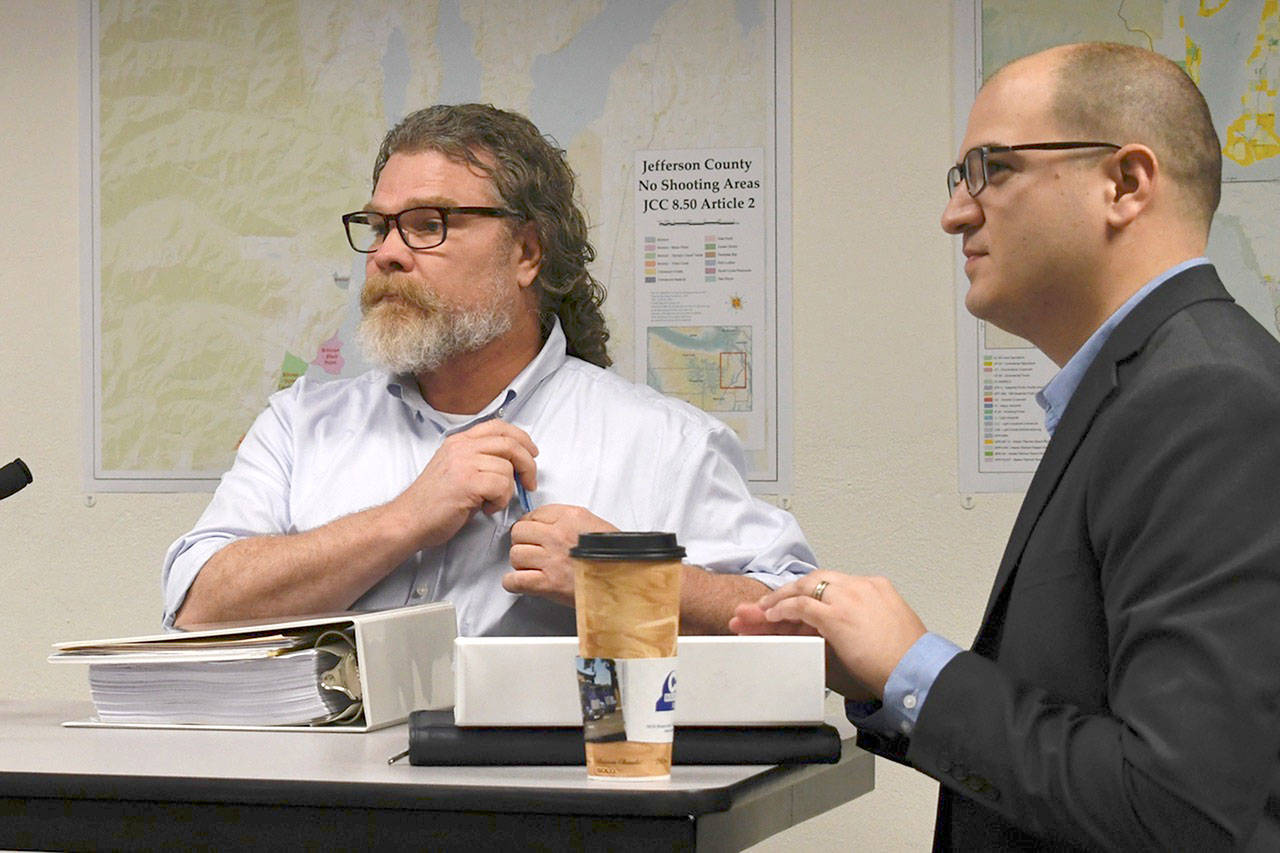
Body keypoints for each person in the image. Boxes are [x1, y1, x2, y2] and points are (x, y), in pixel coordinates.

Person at [732, 42, 1280, 849]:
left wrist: (915, 667)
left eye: (991, 169)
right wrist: (886, 675)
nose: (956, 212)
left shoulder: (1203, 398)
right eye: (959, 178)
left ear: (1125, 184)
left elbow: (1179, 807)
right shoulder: (1149, 386)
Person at [163, 103, 814, 636]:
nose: (387, 253)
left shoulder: (663, 444)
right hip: (320, 791)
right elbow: (195, 608)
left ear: (526, 252)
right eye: (378, 226)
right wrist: (405, 518)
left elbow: (799, 626)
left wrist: (629, 579)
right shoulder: (301, 426)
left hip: (555, 795)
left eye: (427, 225)